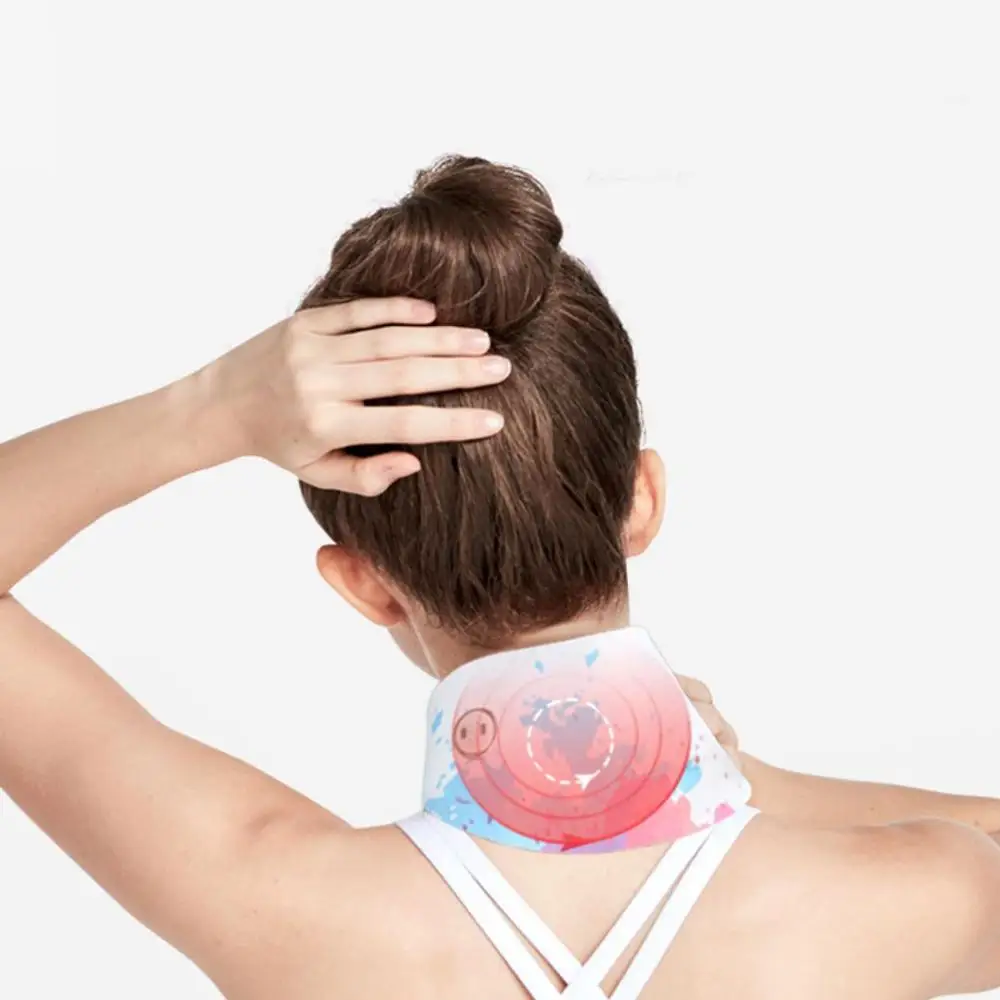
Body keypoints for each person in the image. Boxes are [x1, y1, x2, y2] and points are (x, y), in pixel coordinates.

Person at [1, 155, 999, 1000]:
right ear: (640, 498)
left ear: (364, 583)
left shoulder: (279, 899)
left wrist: (209, 409)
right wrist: (739, 785)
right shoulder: (922, 896)